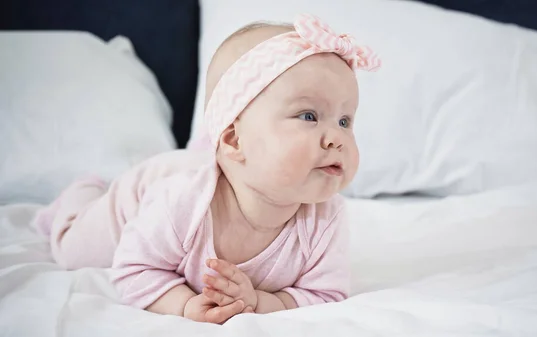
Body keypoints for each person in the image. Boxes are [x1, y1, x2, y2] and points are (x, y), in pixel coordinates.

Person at [34, 13, 381, 324]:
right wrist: (184, 305)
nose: (337, 138)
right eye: (309, 116)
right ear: (234, 140)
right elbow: (135, 268)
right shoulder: (183, 202)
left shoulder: (325, 219)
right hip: (139, 195)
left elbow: (325, 295)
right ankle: (84, 192)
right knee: (71, 251)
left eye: (345, 120)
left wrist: (259, 302)